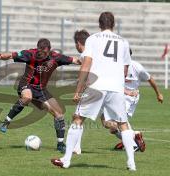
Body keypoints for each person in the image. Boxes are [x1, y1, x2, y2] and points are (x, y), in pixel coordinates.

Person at [51, 12, 137, 171]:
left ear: (99, 24)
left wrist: (78, 89)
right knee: (123, 124)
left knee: (77, 118)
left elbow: (86, 64)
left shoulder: (92, 39)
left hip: (96, 86)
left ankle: (67, 159)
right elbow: (125, 69)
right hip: (116, 88)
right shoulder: (124, 42)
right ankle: (131, 163)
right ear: (113, 24)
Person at [0, 38, 81, 153]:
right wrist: (0, 55)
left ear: (49, 50)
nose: (41, 55)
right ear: (37, 49)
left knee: (59, 114)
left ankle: (60, 144)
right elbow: (10, 55)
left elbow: (75, 60)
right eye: (40, 52)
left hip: (41, 91)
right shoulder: (30, 54)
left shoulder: (56, 57)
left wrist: (85, 61)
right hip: (26, 85)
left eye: (44, 53)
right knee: (27, 97)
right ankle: (6, 122)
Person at [112, 50, 163, 151]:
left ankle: (132, 144)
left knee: (120, 120)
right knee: (111, 127)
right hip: (118, 96)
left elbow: (150, 79)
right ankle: (132, 138)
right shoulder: (116, 66)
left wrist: (158, 94)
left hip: (130, 98)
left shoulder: (137, 67)